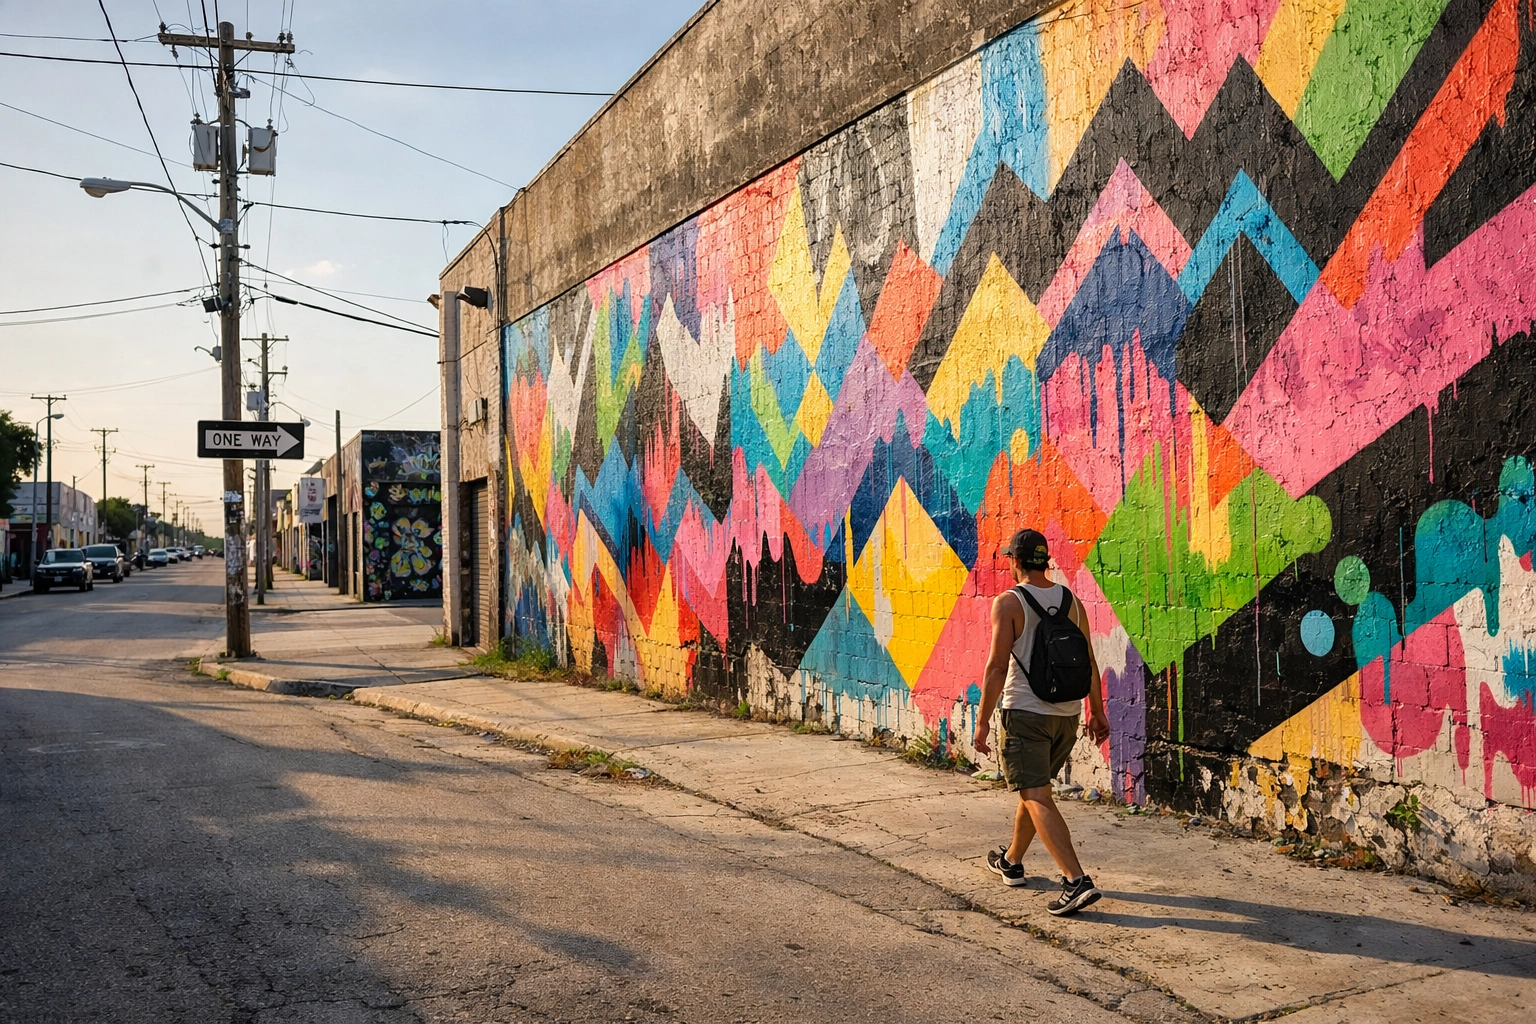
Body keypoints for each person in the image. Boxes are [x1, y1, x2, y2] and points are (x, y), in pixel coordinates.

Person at [973, 528, 1110, 915]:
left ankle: (1076, 881)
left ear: (1015, 561)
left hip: (1025, 714)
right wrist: (1097, 711)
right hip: (1066, 715)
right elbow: (1089, 661)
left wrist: (982, 721)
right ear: (1045, 560)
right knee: (1036, 790)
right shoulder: (1072, 601)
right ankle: (1011, 862)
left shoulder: (1009, 602)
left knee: (1034, 793)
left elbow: (997, 667)